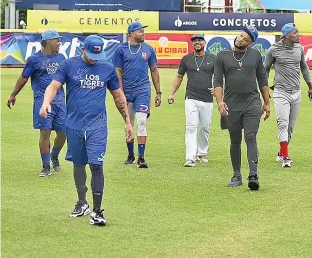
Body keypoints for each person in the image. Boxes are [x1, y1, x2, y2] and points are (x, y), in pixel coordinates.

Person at [40, 35, 133, 226]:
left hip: (97, 124)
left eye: (97, 55)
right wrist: (46, 102)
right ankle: (82, 202)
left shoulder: (107, 68)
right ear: (83, 49)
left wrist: (128, 122)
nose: (93, 59)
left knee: (96, 164)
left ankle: (97, 211)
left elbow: (118, 97)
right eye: (90, 55)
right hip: (74, 124)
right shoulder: (68, 65)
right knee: (78, 164)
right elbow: (53, 86)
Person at [213, 26, 270, 190]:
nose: (240, 39)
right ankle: (236, 175)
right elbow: (217, 80)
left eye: (245, 39)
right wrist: (220, 101)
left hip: (252, 103)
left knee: (250, 137)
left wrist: (266, 103)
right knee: (235, 140)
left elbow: (263, 79)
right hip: (232, 105)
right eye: (241, 35)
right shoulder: (222, 56)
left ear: (250, 43)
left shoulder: (255, 55)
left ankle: (253, 175)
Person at [7, 30, 67, 177]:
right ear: (49, 42)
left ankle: (54, 156)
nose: (60, 43)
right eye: (57, 40)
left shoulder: (61, 57)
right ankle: (46, 166)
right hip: (42, 101)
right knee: (45, 132)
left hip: (60, 101)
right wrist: (13, 94)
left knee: (63, 133)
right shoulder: (34, 59)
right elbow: (23, 78)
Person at [264, 23, 312, 168]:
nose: (298, 35)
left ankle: (281, 152)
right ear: (286, 36)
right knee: (283, 123)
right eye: (295, 33)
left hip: (296, 92)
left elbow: (304, 67)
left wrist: (310, 87)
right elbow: (264, 71)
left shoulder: (300, 48)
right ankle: (286, 157)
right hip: (281, 92)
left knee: (290, 127)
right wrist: (264, 91)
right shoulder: (273, 50)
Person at [113, 21, 161, 168]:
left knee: (141, 122)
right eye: (140, 31)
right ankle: (130, 154)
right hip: (127, 92)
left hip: (143, 90)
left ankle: (141, 157)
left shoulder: (148, 49)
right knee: (129, 123)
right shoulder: (120, 50)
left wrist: (158, 92)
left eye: (143, 31)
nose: (143, 33)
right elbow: (118, 72)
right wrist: (120, 93)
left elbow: (154, 70)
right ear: (131, 34)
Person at [168, 33, 216, 167]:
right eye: (194, 41)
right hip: (191, 97)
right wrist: (172, 93)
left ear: (204, 42)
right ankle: (190, 157)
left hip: (207, 98)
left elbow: (220, 76)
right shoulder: (186, 59)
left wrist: (217, 89)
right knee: (191, 127)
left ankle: (202, 152)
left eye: (199, 40)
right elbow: (179, 77)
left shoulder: (213, 58)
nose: (197, 42)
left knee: (205, 127)